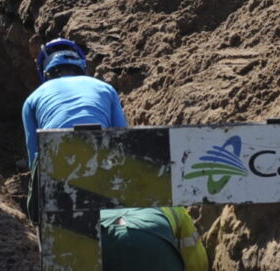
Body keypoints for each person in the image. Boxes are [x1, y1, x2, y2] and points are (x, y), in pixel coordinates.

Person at [22, 39, 208, 271]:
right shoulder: (103, 88)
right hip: (105, 163)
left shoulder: (33, 98)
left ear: (46, 72)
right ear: (81, 65)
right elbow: (123, 139)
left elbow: (36, 155)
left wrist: (39, 213)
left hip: (60, 167)